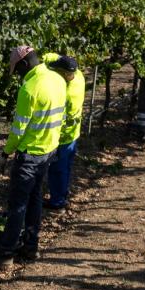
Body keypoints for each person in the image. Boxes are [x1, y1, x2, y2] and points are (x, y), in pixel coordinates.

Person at [0, 46, 68, 267]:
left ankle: (6, 254)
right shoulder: (58, 79)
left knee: (17, 206)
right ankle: (31, 247)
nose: (18, 76)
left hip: (30, 155)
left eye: (17, 71)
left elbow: (18, 130)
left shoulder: (30, 88)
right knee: (35, 201)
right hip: (49, 151)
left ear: (24, 64)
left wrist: (5, 154)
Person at [43, 52, 85, 210]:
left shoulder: (67, 94)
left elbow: (59, 119)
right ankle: (62, 193)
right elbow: (55, 58)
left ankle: (58, 201)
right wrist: (45, 58)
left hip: (64, 137)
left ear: (66, 74)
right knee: (66, 166)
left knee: (57, 169)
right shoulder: (78, 74)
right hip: (73, 135)